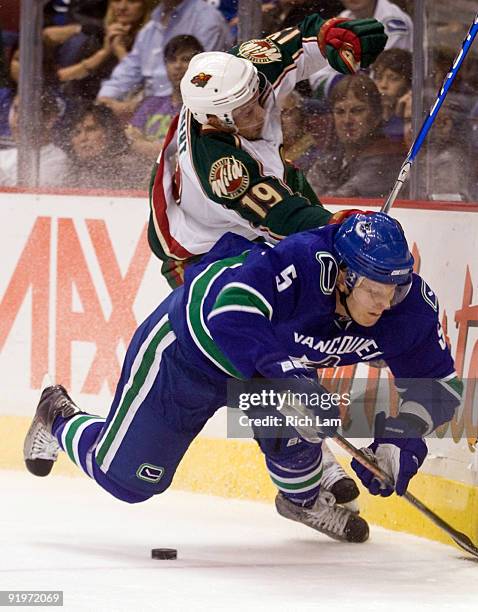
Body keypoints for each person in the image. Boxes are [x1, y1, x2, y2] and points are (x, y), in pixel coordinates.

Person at [23, 213, 462, 545]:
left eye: (395, 290)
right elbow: (231, 312)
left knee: (306, 415)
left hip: (270, 367)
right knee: (130, 482)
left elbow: (441, 388)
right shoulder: (304, 261)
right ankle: (58, 417)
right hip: (192, 351)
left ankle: (302, 500)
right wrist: (289, 378)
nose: (384, 304)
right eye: (373, 290)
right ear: (343, 276)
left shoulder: (409, 309)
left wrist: (402, 444)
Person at [148, 12, 387, 287]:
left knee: (324, 268)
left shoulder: (242, 73)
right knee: (254, 317)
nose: (261, 115)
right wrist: (342, 226)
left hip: (264, 188)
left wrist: (333, 38)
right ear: (215, 121)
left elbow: (300, 41)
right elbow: (282, 215)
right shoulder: (220, 165)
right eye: (245, 113)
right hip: (204, 251)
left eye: (257, 99)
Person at [96, 0, 233, 112]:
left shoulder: (206, 19)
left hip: (190, 110)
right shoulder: (151, 26)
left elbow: (202, 79)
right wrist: (104, 99)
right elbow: (128, 71)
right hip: (150, 110)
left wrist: (140, 105)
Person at [307, 74, 406, 198]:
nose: (347, 120)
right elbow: (307, 196)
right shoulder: (334, 159)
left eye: (357, 110)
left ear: (376, 115)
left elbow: (341, 202)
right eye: (340, 112)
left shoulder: (387, 161)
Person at [310, 0, 413, 99]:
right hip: (348, 102)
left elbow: (386, 82)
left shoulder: (394, 22)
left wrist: (347, 85)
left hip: (392, 106)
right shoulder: (340, 20)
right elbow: (318, 77)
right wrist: (347, 87)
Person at [124, 34, 204, 162]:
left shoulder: (204, 108)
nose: (177, 66)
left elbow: (189, 151)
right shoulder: (151, 104)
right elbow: (131, 138)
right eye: (172, 60)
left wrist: (144, 145)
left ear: (199, 65)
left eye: (185, 59)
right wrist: (166, 150)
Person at [0, 91, 68, 187]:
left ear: (49, 120)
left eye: (27, 112)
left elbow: (29, 197)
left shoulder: (58, 160)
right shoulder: (3, 156)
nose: (18, 119)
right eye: (16, 109)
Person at [63, 103, 134, 189]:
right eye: (77, 132)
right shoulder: (64, 170)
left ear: (109, 133)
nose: (83, 138)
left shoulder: (129, 170)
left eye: (91, 130)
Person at [371, 47, 411, 142]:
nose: (383, 85)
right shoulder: (369, 116)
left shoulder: (414, 118)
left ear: (408, 84)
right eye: (378, 77)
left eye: (393, 78)